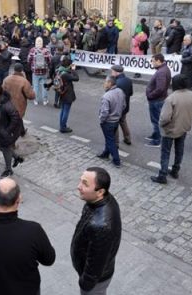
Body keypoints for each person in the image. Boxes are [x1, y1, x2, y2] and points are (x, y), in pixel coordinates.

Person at [71, 167, 122, 295]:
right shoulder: (100, 199)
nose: (79, 186)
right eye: (80, 181)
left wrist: (85, 283)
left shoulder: (100, 226)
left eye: (85, 184)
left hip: (95, 281)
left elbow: (95, 264)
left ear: (100, 192)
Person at [150, 74, 192, 184]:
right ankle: (175, 170)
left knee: (165, 152)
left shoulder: (171, 98)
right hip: (184, 128)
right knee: (179, 150)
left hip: (170, 130)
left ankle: (162, 174)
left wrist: (161, 125)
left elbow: (164, 118)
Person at [96, 76, 126, 168]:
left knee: (110, 141)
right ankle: (105, 153)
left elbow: (104, 112)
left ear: (110, 83)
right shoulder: (120, 92)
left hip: (108, 122)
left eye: (105, 82)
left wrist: (101, 120)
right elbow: (124, 105)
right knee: (109, 138)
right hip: (116, 121)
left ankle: (116, 160)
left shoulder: (106, 96)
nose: (104, 84)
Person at [145, 54, 172, 147]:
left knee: (156, 120)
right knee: (156, 119)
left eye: (153, 61)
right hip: (158, 99)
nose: (151, 63)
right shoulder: (163, 69)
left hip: (156, 100)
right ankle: (155, 135)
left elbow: (160, 88)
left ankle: (157, 140)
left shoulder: (161, 72)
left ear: (158, 61)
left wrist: (150, 95)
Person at [2, 63, 35, 135]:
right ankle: (15, 133)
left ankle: (21, 131)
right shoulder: (24, 81)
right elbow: (31, 96)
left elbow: (2, 91)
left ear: (14, 69)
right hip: (19, 104)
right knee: (17, 118)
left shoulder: (6, 79)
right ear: (22, 70)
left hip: (8, 103)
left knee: (14, 118)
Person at [111, 65, 133, 145]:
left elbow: (113, 97)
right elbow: (131, 93)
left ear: (116, 72)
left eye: (112, 71)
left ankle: (116, 143)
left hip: (117, 108)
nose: (111, 73)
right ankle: (128, 138)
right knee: (123, 122)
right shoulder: (129, 80)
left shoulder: (116, 83)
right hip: (125, 107)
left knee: (115, 124)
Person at [56, 56, 79, 133]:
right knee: (66, 111)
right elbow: (76, 78)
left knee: (63, 110)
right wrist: (73, 70)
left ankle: (62, 125)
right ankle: (63, 127)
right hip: (67, 94)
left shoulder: (60, 70)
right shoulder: (65, 74)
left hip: (62, 93)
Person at [28, 37, 52, 105]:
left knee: (35, 86)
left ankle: (36, 100)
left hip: (35, 71)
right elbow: (50, 60)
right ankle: (45, 100)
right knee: (44, 86)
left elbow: (28, 59)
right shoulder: (46, 51)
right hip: (44, 71)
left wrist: (31, 65)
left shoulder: (32, 50)